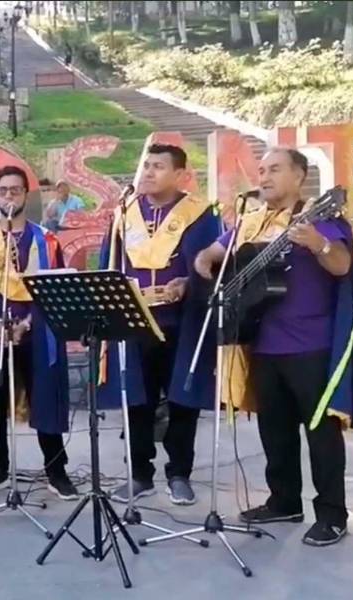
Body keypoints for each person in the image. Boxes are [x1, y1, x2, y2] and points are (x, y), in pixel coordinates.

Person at [194, 148, 353, 546]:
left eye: (274, 169)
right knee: (275, 430)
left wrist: (318, 245)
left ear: (299, 176)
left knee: (321, 433)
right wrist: (206, 267)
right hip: (262, 342)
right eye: (261, 170)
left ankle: (332, 515)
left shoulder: (321, 218)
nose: (264, 177)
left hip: (311, 343)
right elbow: (213, 253)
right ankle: (284, 501)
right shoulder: (251, 221)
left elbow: (342, 265)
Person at [0, 165, 79, 501]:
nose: (9, 197)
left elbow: (56, 290)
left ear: (25, 195)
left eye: (15, 190)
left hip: (36, 332)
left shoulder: (45, 241)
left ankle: (56, 469)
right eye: (3, 191)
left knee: (44, 398)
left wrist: (28, 322)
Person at [99, 144, 220, 506]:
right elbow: (111, 263)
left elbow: (215, 265)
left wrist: (188, 284)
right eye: (147, 165)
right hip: (135, 320)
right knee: (137, 398)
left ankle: (179, 473)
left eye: (159, 166)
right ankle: (139, 474)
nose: (149, 172)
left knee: (183, 399)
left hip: (181, 320)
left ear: (180, 174)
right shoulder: (126, 212)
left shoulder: (200, 214)